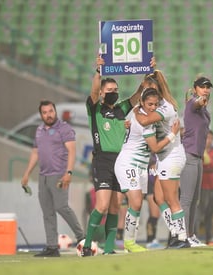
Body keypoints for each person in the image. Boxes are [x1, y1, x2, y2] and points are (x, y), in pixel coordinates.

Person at [81, 56, 156, 256]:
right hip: (102, 160)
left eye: (116, 90)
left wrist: (148, 72)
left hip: (121, 161)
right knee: (103, 205)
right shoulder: (95, 109)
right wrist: (99, 70)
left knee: (115, 205)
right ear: (102, 93)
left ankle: (108, 248)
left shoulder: (123, 109)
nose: (113, 93)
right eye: (109, 91)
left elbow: (140, 93)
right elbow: (94, 90)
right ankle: (87, 245)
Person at [114, 88, 180, 252]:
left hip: (140, 166)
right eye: (150, 104)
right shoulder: (146, 122)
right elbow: (155, 147)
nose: (153, 107)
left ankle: (130, 242)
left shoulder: (138, 114)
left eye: (156, 104)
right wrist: (172, 134)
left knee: (136, 204)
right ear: (142, 102)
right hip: (129, 163)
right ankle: (127, 242)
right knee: (135, 202)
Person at [21, 100, 85, 257]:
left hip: (59, 174)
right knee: (47, 212)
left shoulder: (64, 128)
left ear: (55, 111)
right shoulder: (39, 130)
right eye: (44, 112)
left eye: (50, 111)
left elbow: (72, 151)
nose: (48, 115)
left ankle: (82, 237)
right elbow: (35, 152)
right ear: (41, 114)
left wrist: (69, 173)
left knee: (61, 207)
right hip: (43, 176)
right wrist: (27, 173)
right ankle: (51, 247)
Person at [134, 70, 190, 248]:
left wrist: (136, 110)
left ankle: (181, 238)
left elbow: (144, 121)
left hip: (171, 156)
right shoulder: (153, 108)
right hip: (164, 157)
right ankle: (175, 232)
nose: (148, 90)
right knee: (159, 198)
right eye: (146, 87)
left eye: (152, 86)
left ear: (158, 88)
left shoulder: (164, 108)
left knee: (171, 199)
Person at [179, 76, 213, 247]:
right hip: (189, 154)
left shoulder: (205, 111)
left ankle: (190, 235)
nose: (206, 89)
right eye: (202, 86)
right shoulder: (193, 103)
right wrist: (200, 99)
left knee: (195, 200)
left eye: (208, 87)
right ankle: (183, 236)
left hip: (198, 157)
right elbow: (197, 102)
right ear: (195, 89)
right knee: (186, 199)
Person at [196, 130, 213, 246]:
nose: (209, 140)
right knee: (199, 214)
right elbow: (207, 165)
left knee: (210, 214)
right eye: (207, 138)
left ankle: (209, 238)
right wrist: (209, 165)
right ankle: (194, 237)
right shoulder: (198, 152)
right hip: (202, 186)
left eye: (211, 138)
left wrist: (208, 165)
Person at [145, 155, 165, 249]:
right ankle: (150, 240)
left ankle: (153, 239)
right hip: (151, 188)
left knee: (155, 215)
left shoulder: (157, 156)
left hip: (155, 187)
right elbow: (152, 175)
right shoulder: (152, 158)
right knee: (154, 214)